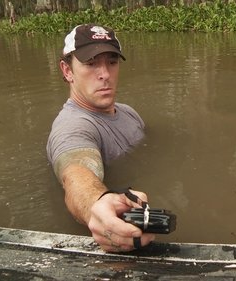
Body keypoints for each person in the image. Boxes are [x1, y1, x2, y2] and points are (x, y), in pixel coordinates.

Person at [46, 23, 155, 252]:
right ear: (67, 71)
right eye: (91, 63)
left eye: (112, 62)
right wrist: (97, 203)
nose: (104, 74)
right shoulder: (71, 126)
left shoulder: (129, 112)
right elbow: (75, 171)